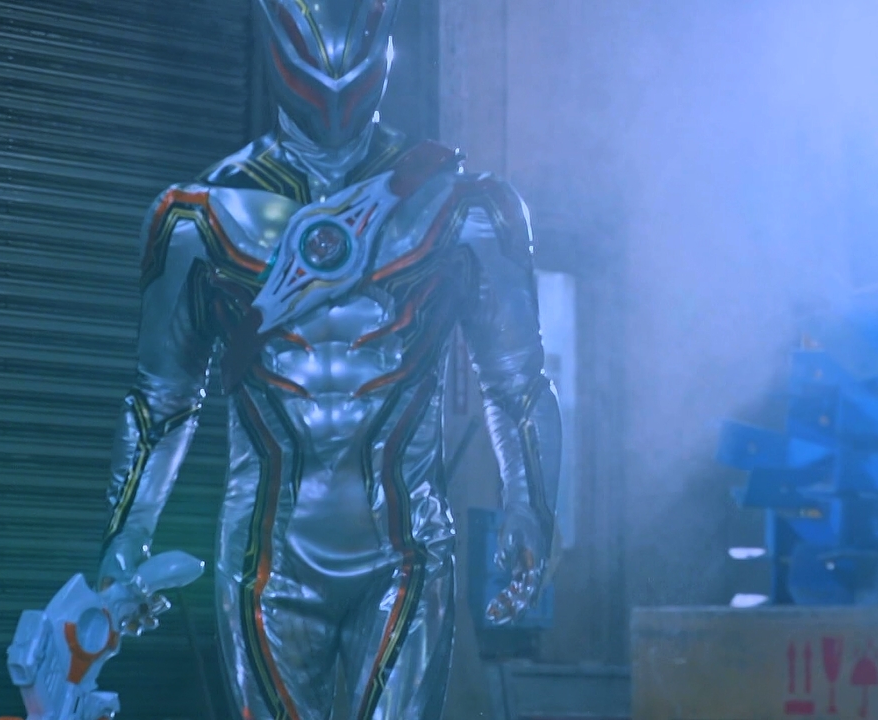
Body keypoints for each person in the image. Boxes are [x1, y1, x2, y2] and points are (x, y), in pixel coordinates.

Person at [98, 1, 561, 718]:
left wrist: (531, 508)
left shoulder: (464, 208)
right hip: (266, 567)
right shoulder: (200, 219)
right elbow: (162, 398)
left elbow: (517, 383)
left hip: (407, 554)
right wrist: (126, 537)